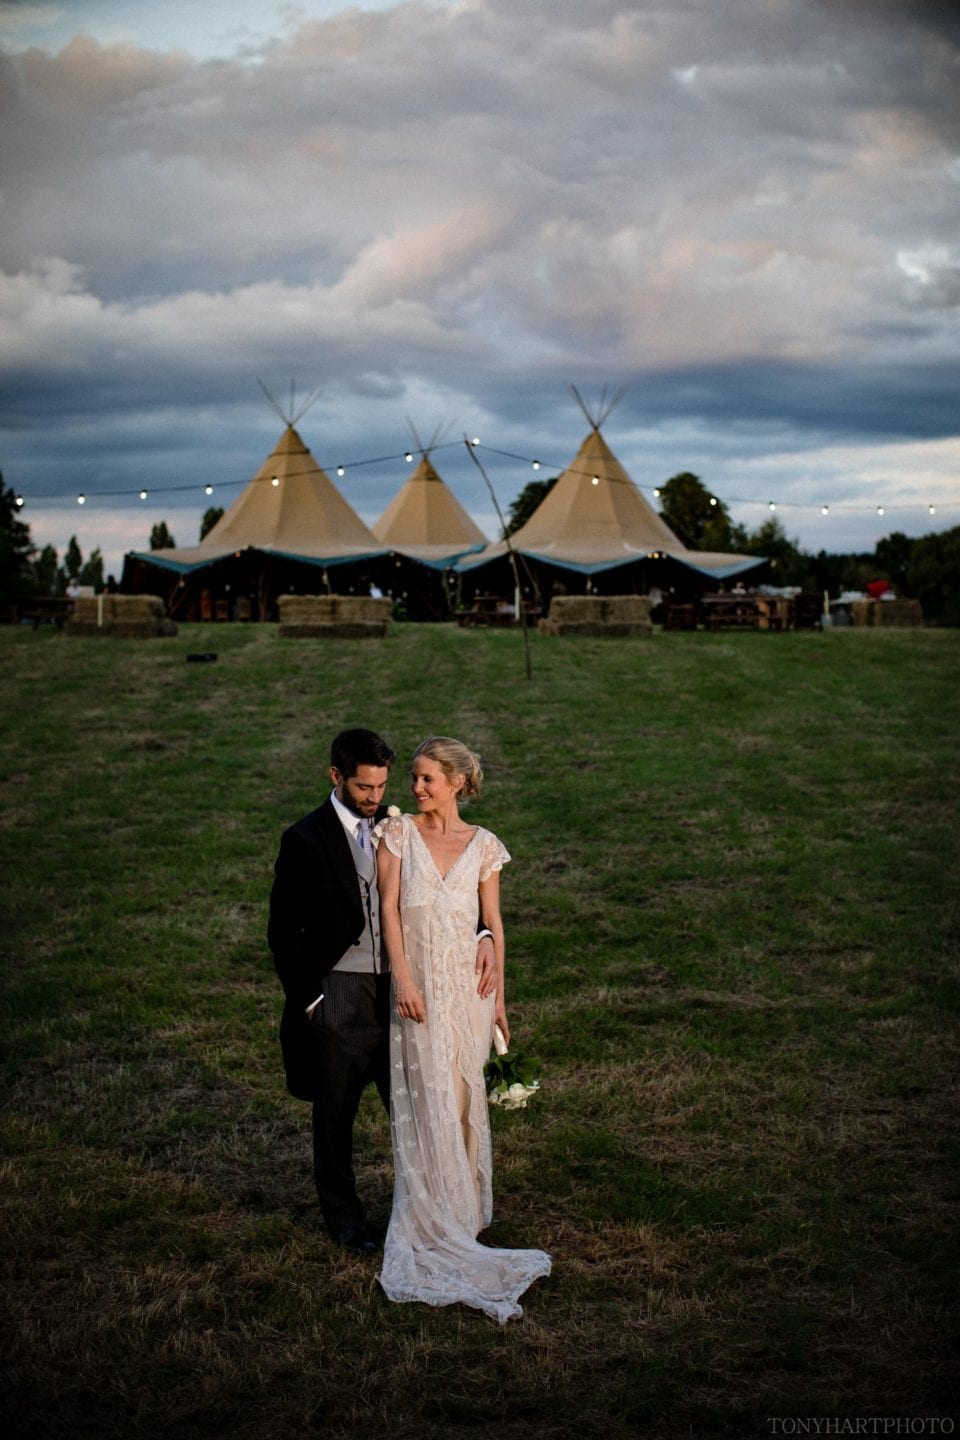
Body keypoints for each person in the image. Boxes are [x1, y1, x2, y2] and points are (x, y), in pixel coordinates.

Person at [267, 728, 495, 1254]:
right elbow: (283, 934)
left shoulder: (403, 828)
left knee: (420, 1108)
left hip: (403, 989)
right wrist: (313, 1000)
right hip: (340, 993)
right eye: (365, 788)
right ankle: (345, 1220)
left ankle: (438, 1208)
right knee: (336, 1113)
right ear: (337, 777)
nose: (375, 798)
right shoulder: (305, 839)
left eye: (381, 786)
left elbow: (447, 889)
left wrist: (482, 933)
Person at [374, 736, 551, 1322]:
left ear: (456, 782)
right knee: (427, 1100)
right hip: (419, 992)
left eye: (427, 778)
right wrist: (403, 981)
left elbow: (493, 925)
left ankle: (466, 1215)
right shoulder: (396, 837)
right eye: (415, 778)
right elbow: (389, 916)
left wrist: (499, 998)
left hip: (469, 997)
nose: (415, 788)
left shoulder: (485, 846)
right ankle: (431, 1218)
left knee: (461, 1097)